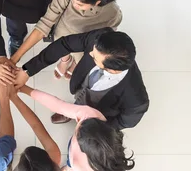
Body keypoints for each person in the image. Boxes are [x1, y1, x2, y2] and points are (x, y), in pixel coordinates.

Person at [14, 28, 149, 129]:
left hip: (97, 114)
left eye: (94, 58)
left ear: (112, 69)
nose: (89, 53)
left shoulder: (137, 100)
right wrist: (27, 71)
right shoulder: (100, 38)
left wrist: (91, 124)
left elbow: (123, 122)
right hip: (79, 85)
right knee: (78, 99)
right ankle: (71, 111)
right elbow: (64, 44)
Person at [17, 85, 135, 171]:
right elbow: (58, 105)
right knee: (70, 160)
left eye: (77, 132)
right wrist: (24, 89)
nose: (77, 125)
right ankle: (68, 168)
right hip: (73, 155)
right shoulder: (89, 116)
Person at [10, 0, 122, 79]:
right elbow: (43, 25)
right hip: (62, 36)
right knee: (60, 49)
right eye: (73, 0)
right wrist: (14, 59)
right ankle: (65, 60)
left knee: (81, 64)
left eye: (80, 4)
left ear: (96, 2)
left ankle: (75, 63)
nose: (74, 5)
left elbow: (105, 39)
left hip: (84, 46)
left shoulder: (112, 13)